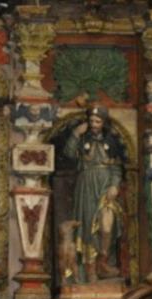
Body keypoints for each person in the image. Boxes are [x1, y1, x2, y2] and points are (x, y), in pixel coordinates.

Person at [61, 105, 126, 283]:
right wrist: (75, 134)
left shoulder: (111, 141)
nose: (94, 124)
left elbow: (117, 167)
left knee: (107, 225)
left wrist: (114, 185)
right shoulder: (82, 140)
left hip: (106, 186)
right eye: (91, 121)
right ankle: (90, 270)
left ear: (103, 123)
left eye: (97, 121)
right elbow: (68, 154)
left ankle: (103, 260)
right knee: (88, 226)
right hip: (87, 187)